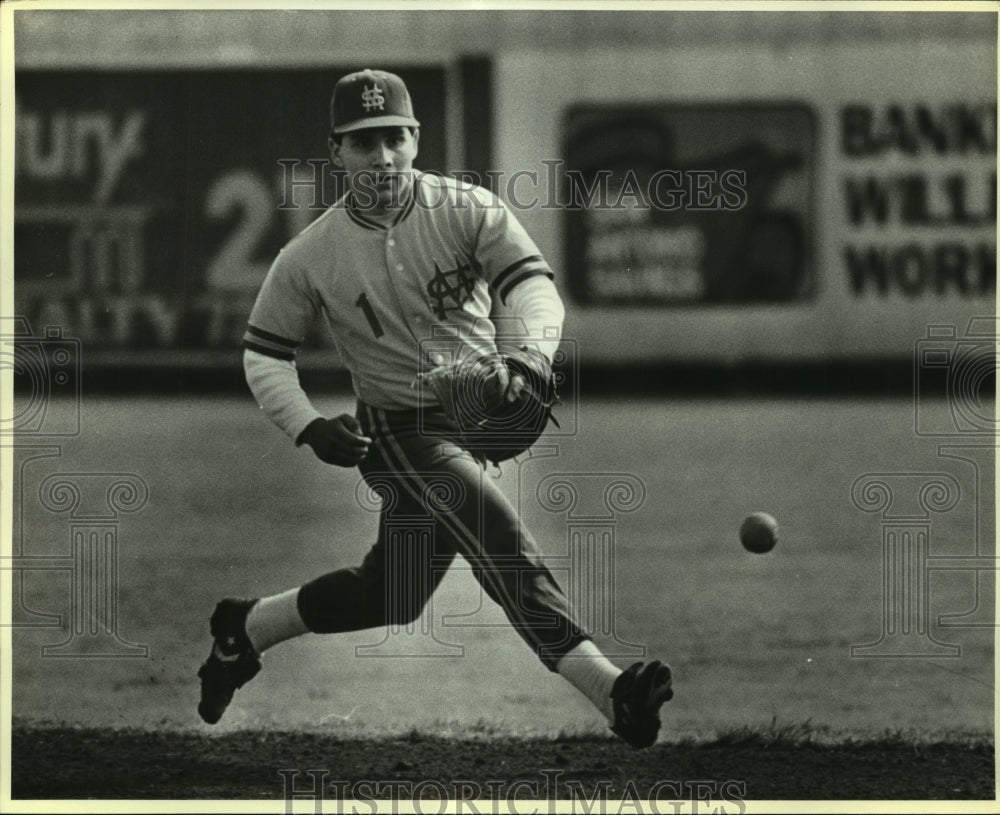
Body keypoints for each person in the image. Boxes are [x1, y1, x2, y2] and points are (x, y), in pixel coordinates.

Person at [196, 68, 673, 748]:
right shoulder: (310, 255)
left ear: (416, 138)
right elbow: (265, 353)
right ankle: (614, 691)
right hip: (397, 430)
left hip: (469, 426)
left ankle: (246, 628)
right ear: (337, 152)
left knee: (388, 594)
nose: (382, 156)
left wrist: (532, 357)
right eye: (364, 143)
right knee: (495, 530)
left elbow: (535, 287)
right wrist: (306, 424)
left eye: (393, 136)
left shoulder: (467, 208)